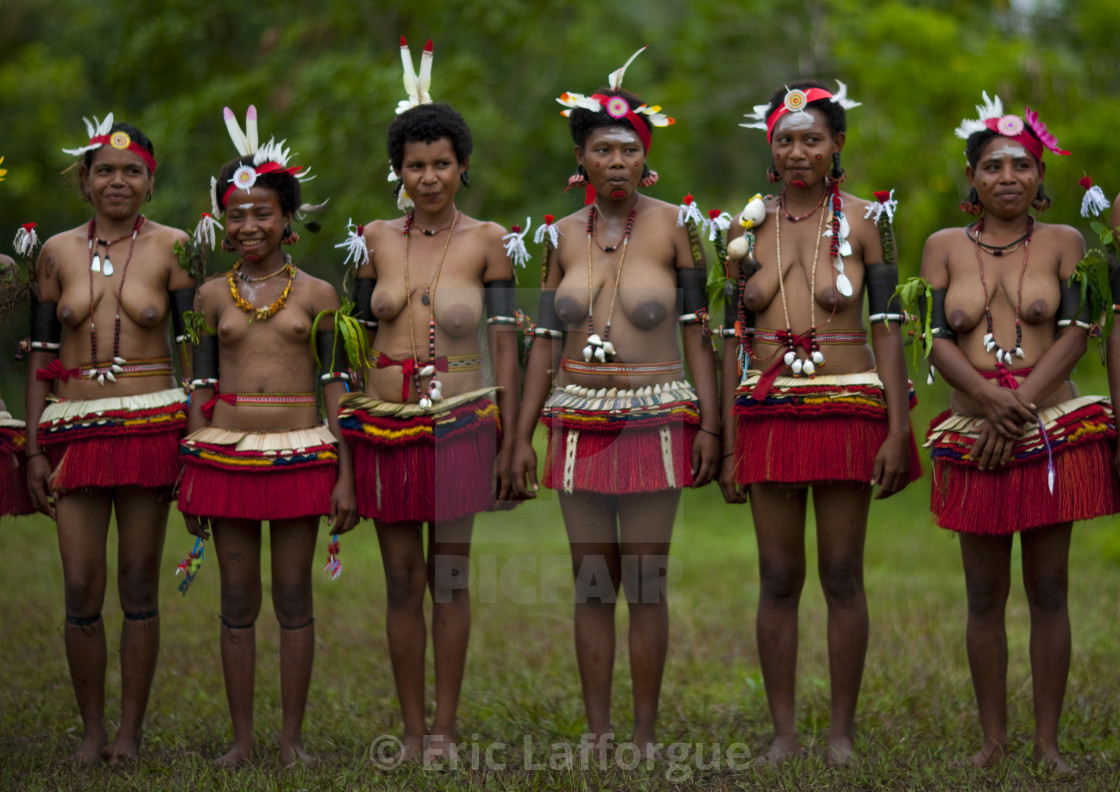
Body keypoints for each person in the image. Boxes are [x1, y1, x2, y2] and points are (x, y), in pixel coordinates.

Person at [510, 48, 720, 758]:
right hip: (575, 415)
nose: (618, 161)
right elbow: (541, 341)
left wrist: (712, 425)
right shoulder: (559, 236)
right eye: (604, 149)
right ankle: (598, 730)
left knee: (646, 580)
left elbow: (701, 337)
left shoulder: (676, 228)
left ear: (646, 158)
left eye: (630, 149)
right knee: (591, 581)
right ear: (582, 157)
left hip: (657, 414)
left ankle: (645, 732)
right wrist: (518, 438)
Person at [719, 81, 918, 765]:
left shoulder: (869, 221)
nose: (798, 150)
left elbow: (889, 327)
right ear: (770, 149)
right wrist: (722, 435)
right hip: (769, 410)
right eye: (785, 139)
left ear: (836, 145)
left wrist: (897, 425)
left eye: (812, 138)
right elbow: (730, 334)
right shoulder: (743, 228)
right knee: (778, 575)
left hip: (849, 404)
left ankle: (839, 733)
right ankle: (782, 734)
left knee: (841, 571)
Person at [920, 92, 1120, 771]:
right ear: (972, 178)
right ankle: (993, 741)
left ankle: (1047, 743)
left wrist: (1020, 406)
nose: (1009, 177)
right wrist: (983, 396)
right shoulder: (942, 247)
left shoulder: (1065, 242)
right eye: (994, 166)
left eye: (1023, 165)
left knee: (1050, 586)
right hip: (973, 429)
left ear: (1041, 177)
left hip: (1047, 427)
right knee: (983, 593)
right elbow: (935, 337)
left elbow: (1077, 333)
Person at [336, 38, 520, 763]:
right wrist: (344, 436)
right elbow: (348, 349)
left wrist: (509, 438)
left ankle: (445, 729)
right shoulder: (372, 240)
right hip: (383, 426)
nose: (430, 175)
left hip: (461, 422)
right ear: (399, 171)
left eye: (442, 162)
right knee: (401, 580)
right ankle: (410, 731)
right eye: (416, 164)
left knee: (448, 574)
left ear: (462, 165)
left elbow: (505, 339)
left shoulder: (489, 242)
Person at [178, 106, 358, 766]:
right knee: (235, 598)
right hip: (223, 454)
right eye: (237, 214)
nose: (249, 225)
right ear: (223, 222)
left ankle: (291, 740)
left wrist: (345, 469)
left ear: (287, 216)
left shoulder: (318, 296)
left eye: (262, 212)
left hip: (299, 453)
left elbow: (335, 383)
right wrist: (193, 461)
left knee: (292, 594)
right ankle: (242, 739)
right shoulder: (207, 298)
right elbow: (197, 385)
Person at [24, 115, 194, 763]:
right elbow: (42, 355)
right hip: (75, 429)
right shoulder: (56, 253)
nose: (117, 181)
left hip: (152, 429)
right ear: (85, 180)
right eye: (105, 170)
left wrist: (195, 444)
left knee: (137, 581)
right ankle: (91, 730)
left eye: (132, 172)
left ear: (150, 182)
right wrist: (37, 447)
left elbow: (192, 357)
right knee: (79, 582)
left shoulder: (175, 247)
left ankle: (129, 733)